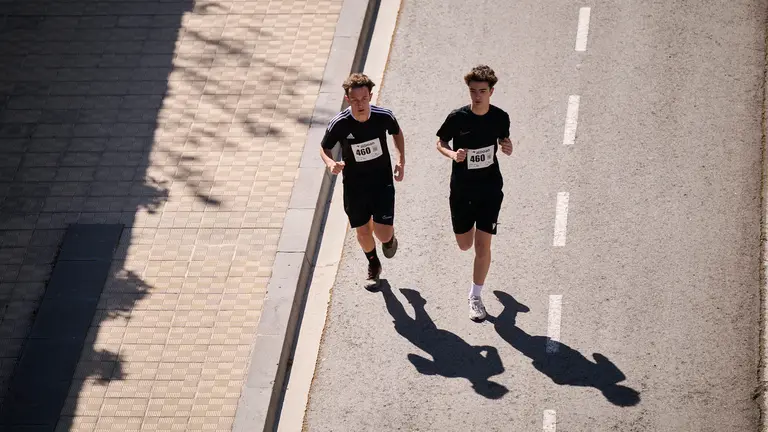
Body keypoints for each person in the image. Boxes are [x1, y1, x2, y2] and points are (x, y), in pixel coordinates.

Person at [435, 65, 514, 321]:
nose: (477, 96)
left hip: (490, 188)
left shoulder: (500, 117)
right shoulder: (457, 118)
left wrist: (507, 145)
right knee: (464, 244)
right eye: (473, 91)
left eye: (482, 91)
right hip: (462, 190)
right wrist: (451, 154)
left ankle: (475, 296)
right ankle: (506, 304)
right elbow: (440, 142)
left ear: (491, 91)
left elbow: (503, 139)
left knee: (483, 245)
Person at [320, 73, 406, 289]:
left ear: (370, 96)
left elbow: (397, 133)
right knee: (363, 231)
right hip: (355, 186)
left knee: (382, 232)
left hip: (381, 181)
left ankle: (388, 239)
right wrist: (330, 162)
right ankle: (373, 264)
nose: (360, 104)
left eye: (364, 99)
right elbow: (324, 147)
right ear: (348, 99)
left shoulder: (383, 116)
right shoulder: (339, 123)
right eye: (355, 100)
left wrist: (400, 160)